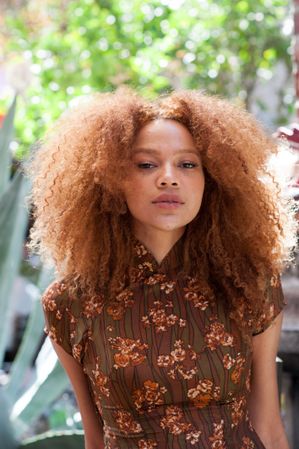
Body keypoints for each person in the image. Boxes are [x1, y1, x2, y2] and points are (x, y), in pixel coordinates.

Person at [27, 87, 296, 449]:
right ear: (111, 179)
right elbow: (96, 438)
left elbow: (267, 423)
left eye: (187, 164)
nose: (168, 178)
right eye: (146, 164)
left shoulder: (249, 284)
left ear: (210, 181)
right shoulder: (70, 304)